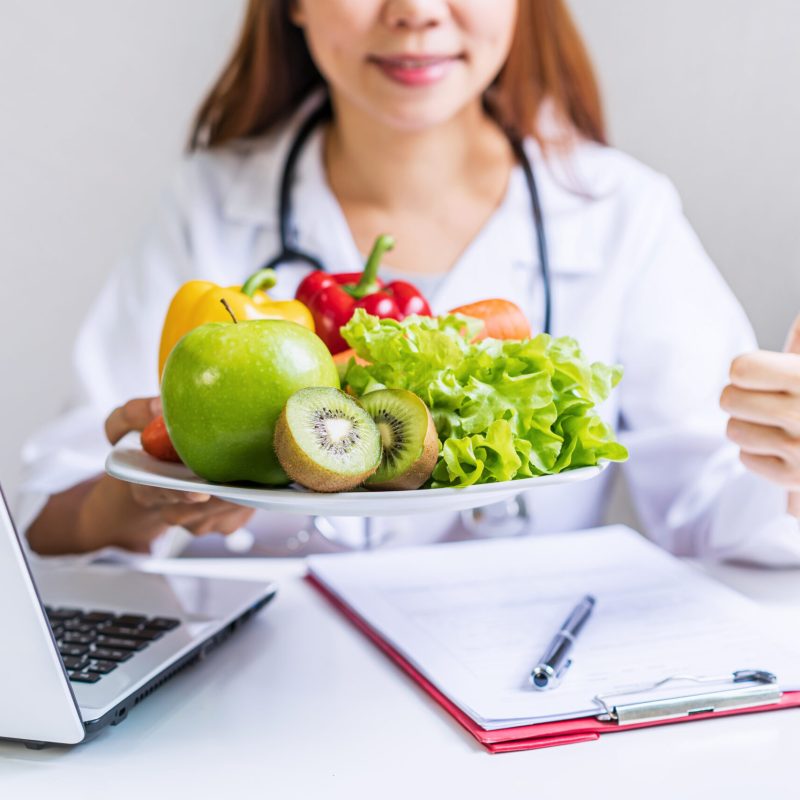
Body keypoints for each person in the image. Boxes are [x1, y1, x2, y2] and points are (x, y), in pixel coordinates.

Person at [19, 0, 800, 563]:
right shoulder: (212, 206)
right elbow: (45, 522)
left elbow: (719, 516)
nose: (417, 11)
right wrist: (137, 499)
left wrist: (787, 459)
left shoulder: (622, 212)